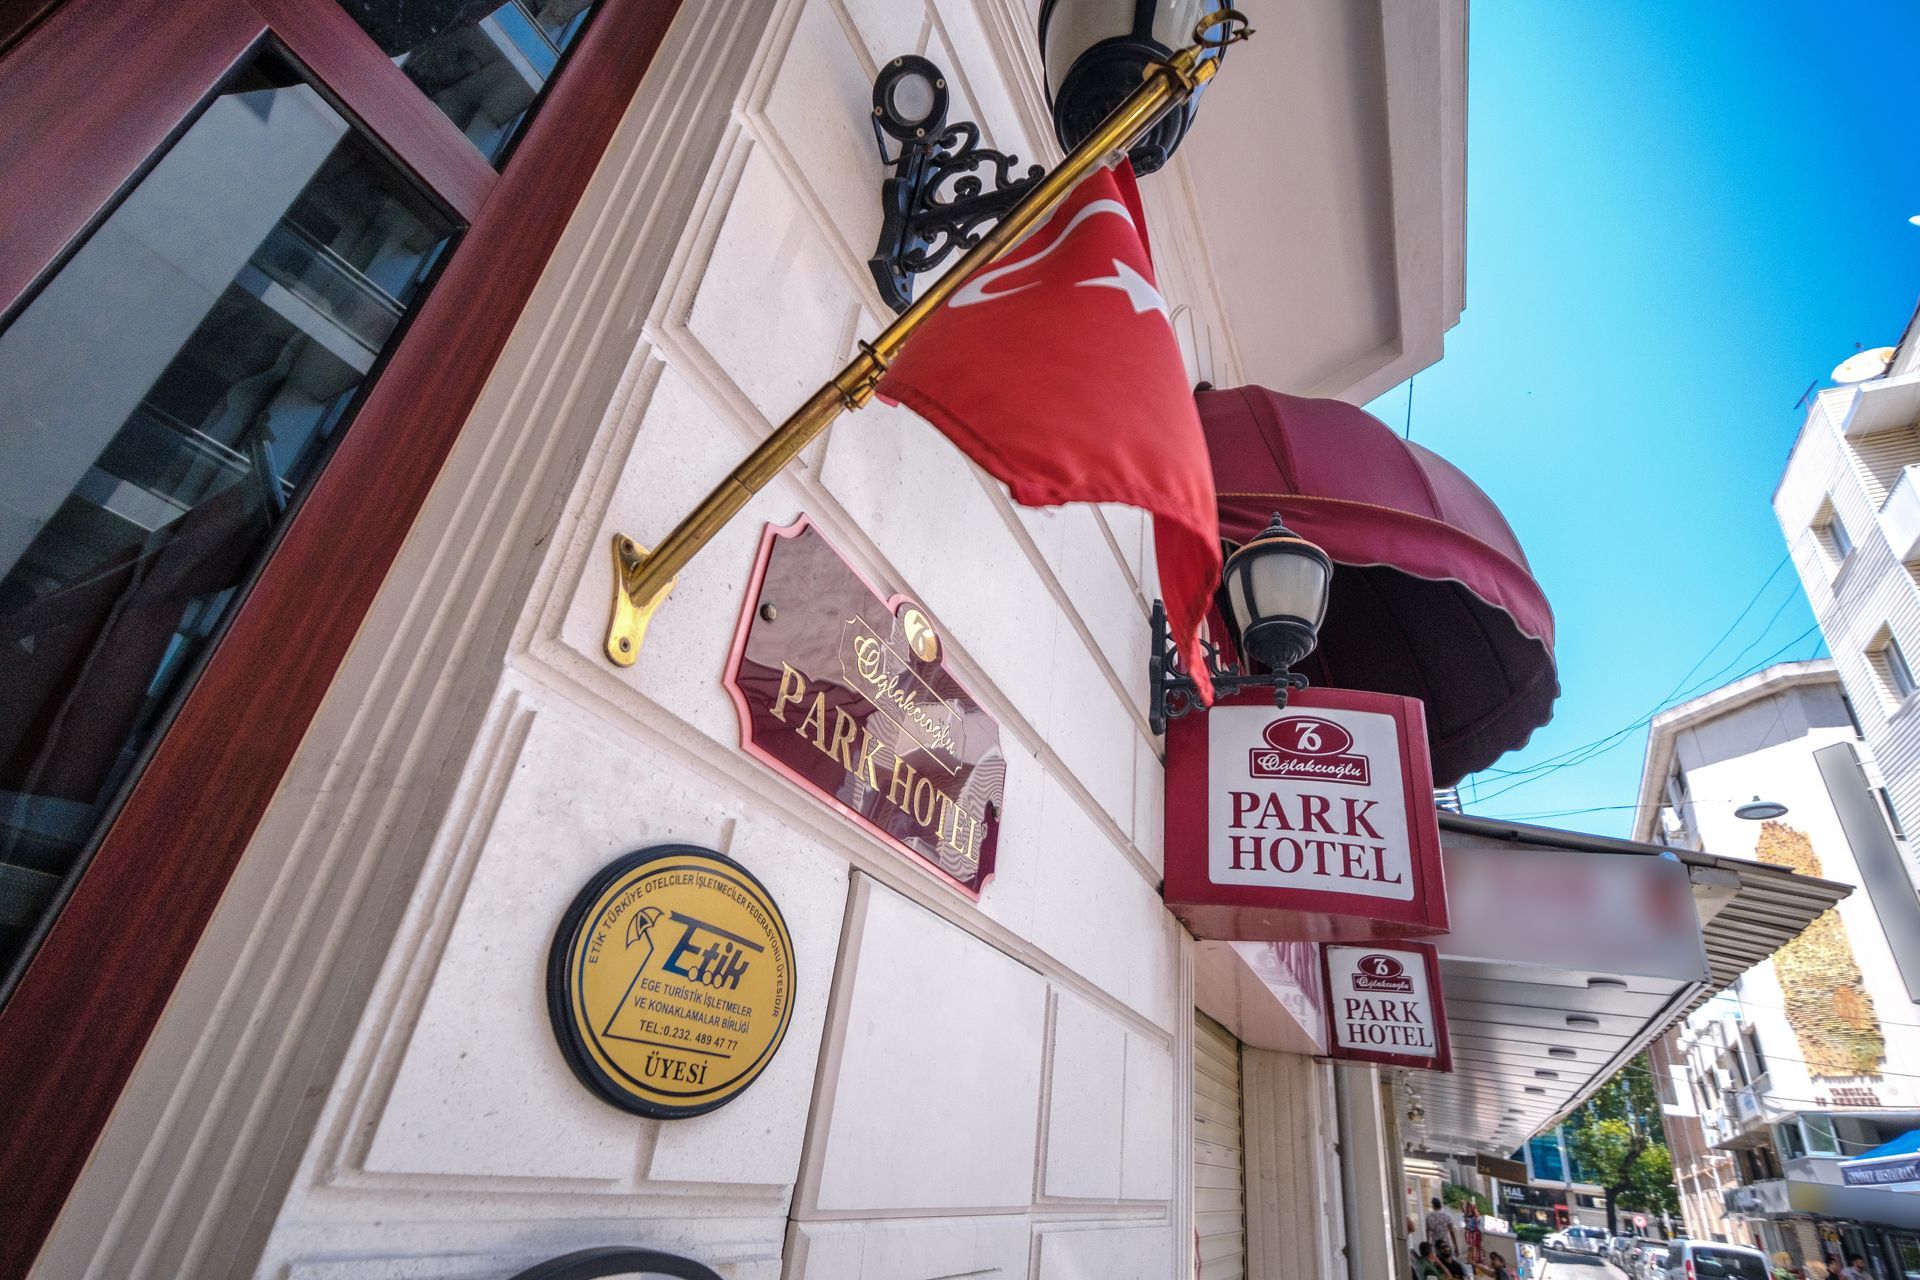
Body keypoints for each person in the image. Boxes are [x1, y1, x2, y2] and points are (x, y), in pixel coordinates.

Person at [1463, 1198, 1485, 1267]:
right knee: (1472, 1246)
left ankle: (1479, 1260)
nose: (1468, 1208)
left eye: (1469, 1206)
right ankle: (1472, 1260)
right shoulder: (1467, 1215)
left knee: (1478, 1246)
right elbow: (1467, 1223)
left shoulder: (1475, 1214)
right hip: (1471, 1232)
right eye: (1468, 1206)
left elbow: (1478, 1222)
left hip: (1476, 1232)